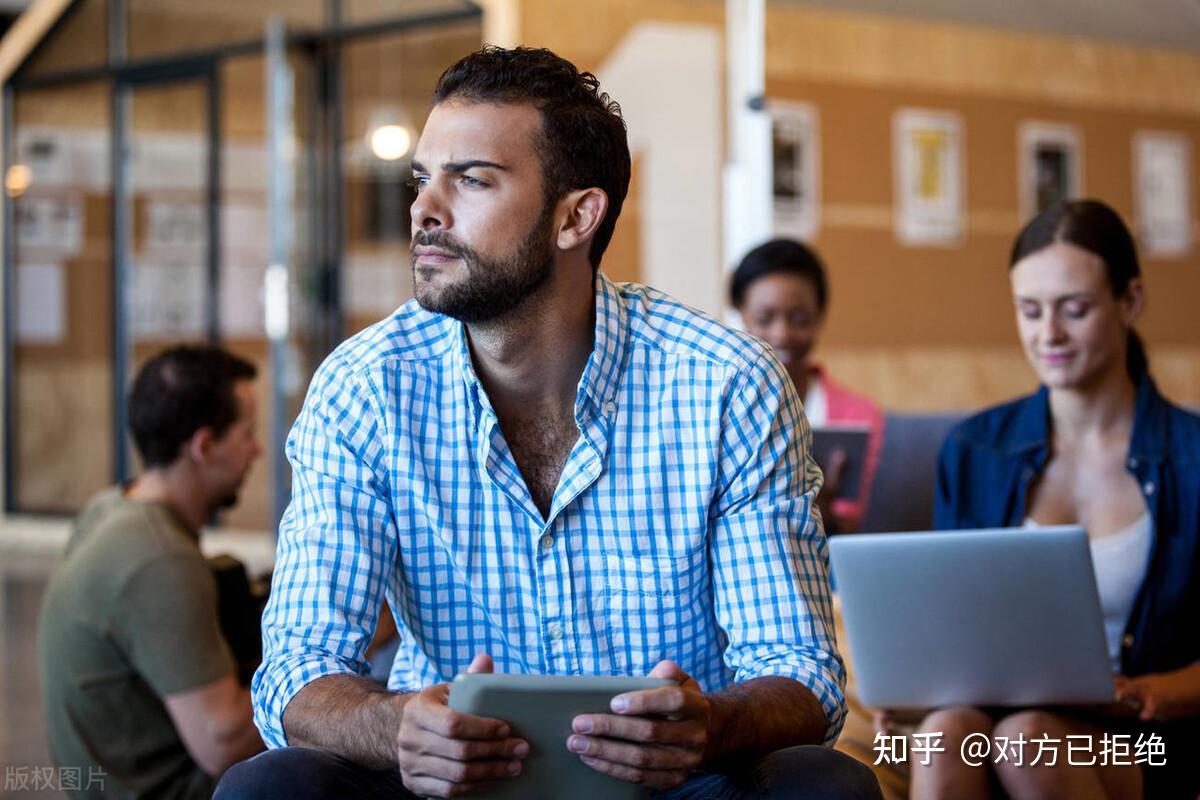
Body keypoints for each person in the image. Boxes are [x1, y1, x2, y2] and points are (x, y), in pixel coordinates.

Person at [216, 46, 881, 800]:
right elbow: (295, 674)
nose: (424, 210)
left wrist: (708, 726)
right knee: (270, 786)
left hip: (673, 784)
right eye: (421, 178)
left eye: (470, 179)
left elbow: (802, 672)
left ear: (576, 216)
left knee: (824, 785)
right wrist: (398, 727)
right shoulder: (364, 390)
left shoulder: (726, 383)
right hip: (451, 784)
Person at [903, 199, 1200, 799]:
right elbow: (950, 619)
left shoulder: (1193, 457)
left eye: (1075, 310)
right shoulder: (975, 449)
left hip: (1152, 734)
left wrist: (1153, 691)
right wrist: (918, 690)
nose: (1048, 335)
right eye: (1030, 311)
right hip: (1001, 716)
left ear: (1131, 301)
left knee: (1025, 740)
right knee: (941, 733)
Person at [38, 345, 266, 798]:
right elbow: (226, 744)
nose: (258, 450)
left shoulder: (112, 507)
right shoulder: (158, 560)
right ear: (203, 446)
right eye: (247, 435)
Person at [730, 239, 884, 532]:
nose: (782, 334)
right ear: (741, 313)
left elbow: (848, 532)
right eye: (765, 318)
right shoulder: (721, 407)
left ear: (820, 315)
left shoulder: (857, 416)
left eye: (799, 319)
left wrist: (822, 504)